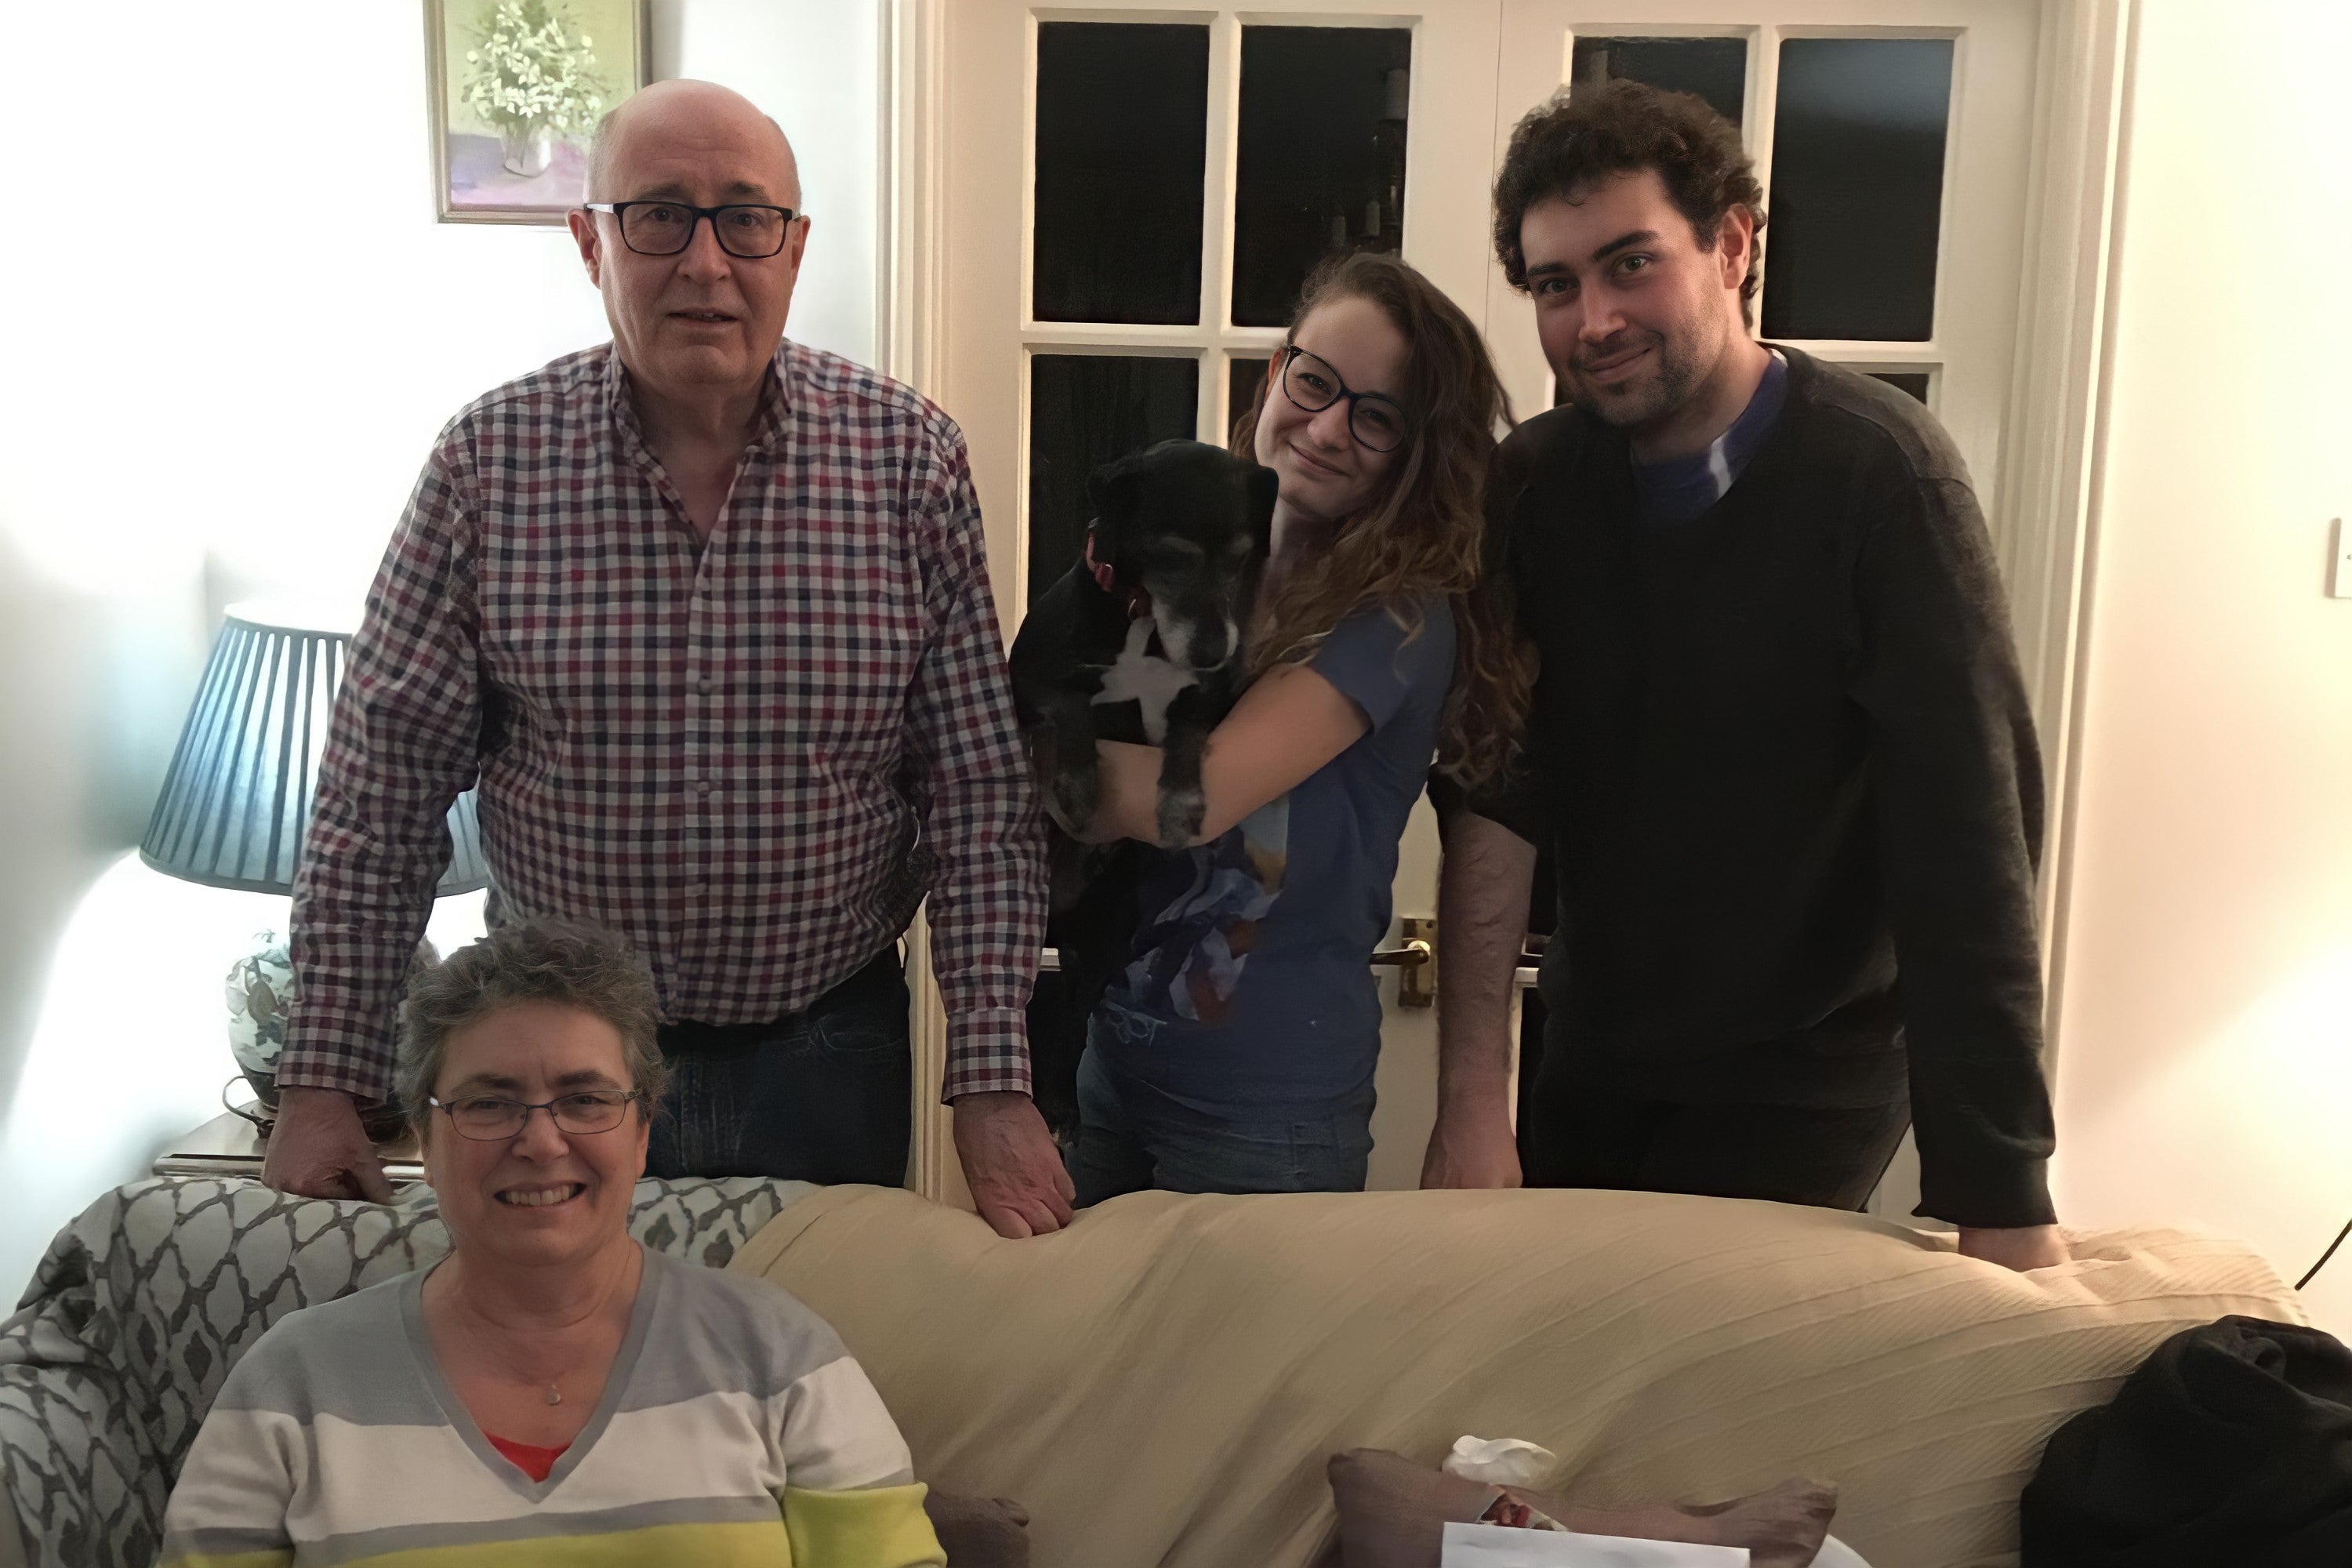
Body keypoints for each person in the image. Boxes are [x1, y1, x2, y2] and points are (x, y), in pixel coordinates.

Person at [263, 79, 1073, 1239]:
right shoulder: (487, 469)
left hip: (827, 1054)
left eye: (746, 218)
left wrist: (995, 1088)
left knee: (802, 1393)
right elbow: (376, 801)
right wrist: (319, 1082)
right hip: (552, 1069)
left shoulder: (909, 464)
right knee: (547, 1381)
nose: (706, 263)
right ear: (590, 242)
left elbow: (978, 797)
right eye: (659, 215)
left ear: (794, 250)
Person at [1421, 79, 2067, 1272]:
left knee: (1710, 1417)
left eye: (1630, 264)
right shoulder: (1535, 486)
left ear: (1732, 243)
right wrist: (1472, 1098)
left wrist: (2003, 1187)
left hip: (1810, 1076)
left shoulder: (1882, 480)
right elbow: (1498, 793)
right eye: (1555, 285)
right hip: (1596, 1053)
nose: (1593, 318)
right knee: (1543, 1406)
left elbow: (1967, 836)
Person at [162, 918, 946, 1566]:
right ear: (428, 1141)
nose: (540, 1139)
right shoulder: (290, 1386)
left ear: (641, 1133)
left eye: (583, 1097)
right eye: (489, 1101)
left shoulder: (783, 1357)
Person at [1067, 251, 1530, 1202]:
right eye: (1314, 381)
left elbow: (1184, 803)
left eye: (1376, 416)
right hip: (1113, 1058)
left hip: (1267, 1117)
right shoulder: (1198, 560)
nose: (1324, 428)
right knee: (1084, 1357)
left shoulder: (1396, 617)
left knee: (1236, 1362)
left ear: (1417, 453)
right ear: (1277, 369)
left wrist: (979, 751)